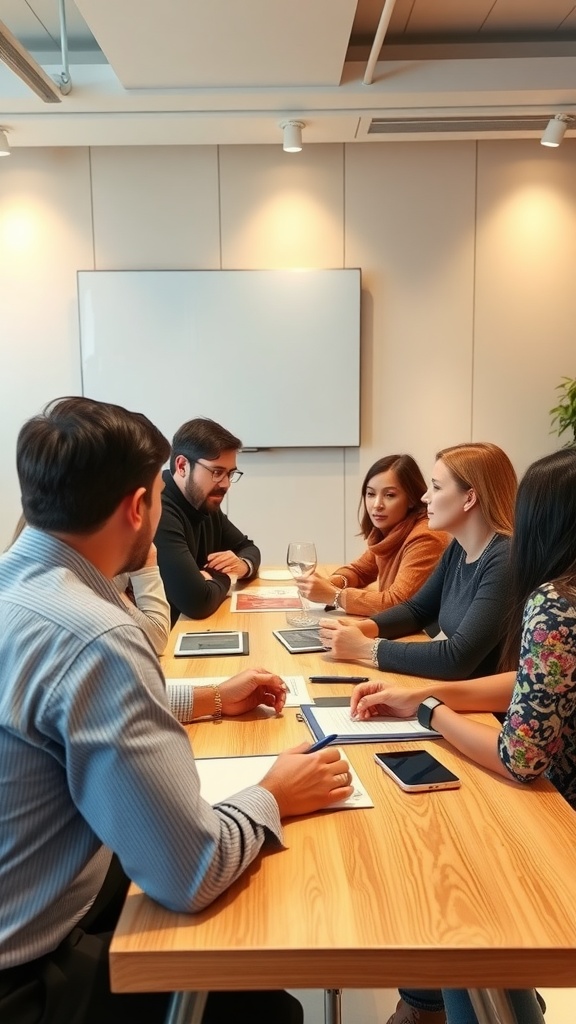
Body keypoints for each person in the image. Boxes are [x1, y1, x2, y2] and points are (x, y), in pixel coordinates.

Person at [0, 396, 354, 1024]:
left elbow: (57, 710)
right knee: (271, 1011)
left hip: (38, 893)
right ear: (139, 507)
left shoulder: (19, 592)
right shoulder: (97, 635)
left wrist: (213, 697)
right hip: (28, 979)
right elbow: (191, 870)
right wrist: (275, 791)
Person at [351, 447, 576, 1024]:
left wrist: (429, 711)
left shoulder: (554, 602)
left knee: (457, 886)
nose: (423, 499)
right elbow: (532, 680)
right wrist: (428, 697)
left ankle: (473, 1003)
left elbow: (520, 757)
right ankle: (435, 998)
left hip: (559, 809)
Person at [319, 442, 517, 681]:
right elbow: (417, 610)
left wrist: (365, 648)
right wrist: (360, 629)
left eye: (436, 487)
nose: (425, 497)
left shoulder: (505, 559)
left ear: (470, 498)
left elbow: (457, 658)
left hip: (487, 713)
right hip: (455, 691)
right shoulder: (459, 547)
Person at [293, 454, 449, 616]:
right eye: (371, 494)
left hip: (418, 636)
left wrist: (334, 595)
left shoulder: (425, 537)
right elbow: (359, 571)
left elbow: (397, 603)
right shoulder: (389, 531)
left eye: (390, 495)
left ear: (411, 499)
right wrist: (330, 584)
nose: (377, 505)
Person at [155, 416, 261, 625]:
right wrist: (228, 576)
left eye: (230, 474)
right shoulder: (160, 509)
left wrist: (242, 565)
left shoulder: (204, 501)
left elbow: (248, 548)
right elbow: (197, 601)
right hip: (166, 640)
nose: (226, 484)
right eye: (217, 472)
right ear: (183, 465)